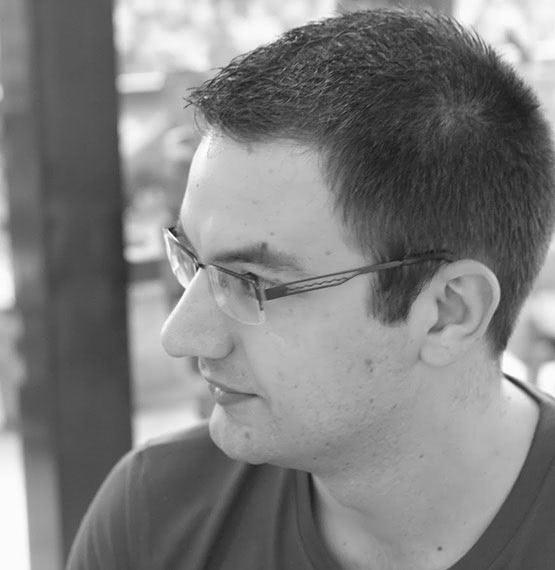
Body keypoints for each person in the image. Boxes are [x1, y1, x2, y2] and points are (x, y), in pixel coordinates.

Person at [67, 8, 555, 570]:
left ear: (448, 312)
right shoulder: (152, 519)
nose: (181, 336)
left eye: (251, 281)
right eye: (191, 259)